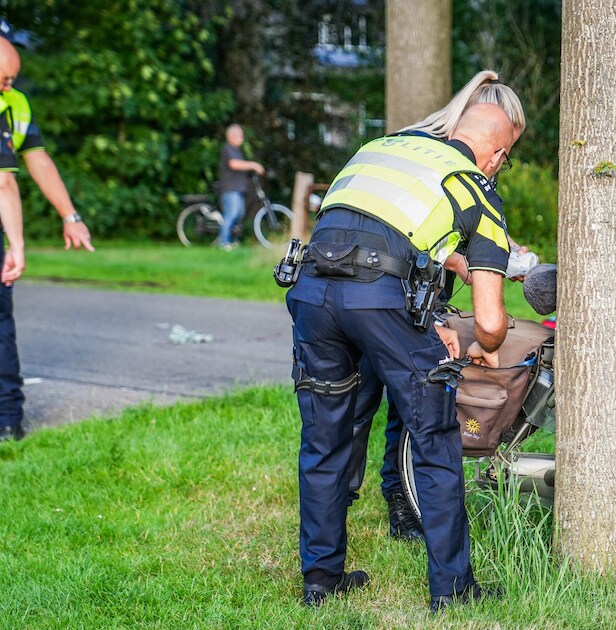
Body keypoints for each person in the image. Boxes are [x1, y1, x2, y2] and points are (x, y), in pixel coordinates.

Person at [287, 100, 519, 610]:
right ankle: (453, 591)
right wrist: (487, 346)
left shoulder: (382, 148)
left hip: (312, 291)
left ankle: (320, 581)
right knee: (434, 438)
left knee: (325, 438)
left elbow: (379, 228)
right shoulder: (473, 185)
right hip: (377, 300)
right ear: (497, 155)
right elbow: (489, 320)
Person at [344, 71, 528, 543]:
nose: (501, 161)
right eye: (506, 147)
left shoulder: (460, 160)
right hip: (385, 287)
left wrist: (505, 251)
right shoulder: (426, 147)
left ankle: (401, 503)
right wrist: (465, 262)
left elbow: (474, 217)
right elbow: (402, 224)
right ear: (489, 127)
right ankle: (353, 497)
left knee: (411, 403)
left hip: (417, 291)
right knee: (365, 400)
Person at [0, 28, 93, 443]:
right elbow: (3, 184)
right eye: (3, 78)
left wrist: (70, 214)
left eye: (12, 78)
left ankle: (7, 419)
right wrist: (17, 245)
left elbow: (37, 159)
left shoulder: (13, 105)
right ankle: (7, 416)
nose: (10, 85)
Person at [216, 124, 264, 250]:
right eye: (239, 135)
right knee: (231, 214)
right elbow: (234, 164)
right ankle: (224, 241)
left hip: (238, 188)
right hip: (231, 188)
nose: (241, 137)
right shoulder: (228, 149)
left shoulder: (236, 150)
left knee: (238, 215)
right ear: (230, 136)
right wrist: (253, 165)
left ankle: (231, 240)